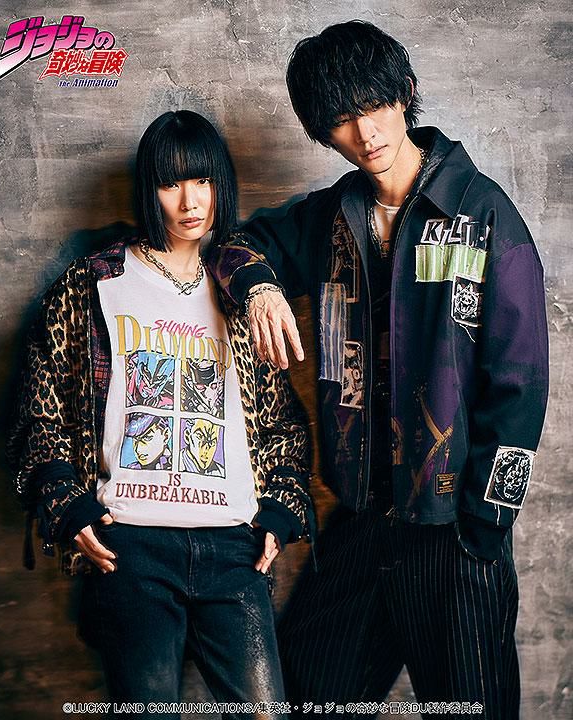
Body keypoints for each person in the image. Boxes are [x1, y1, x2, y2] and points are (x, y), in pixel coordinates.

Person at [207, 20, 549, 720]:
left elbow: (521, 385)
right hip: (363, 518)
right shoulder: (333, 216)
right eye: (341, 119)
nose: (364, 133)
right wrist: (261, 286)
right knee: (304, 695)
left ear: (406, 93)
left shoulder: (483, 215)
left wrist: (484, 526)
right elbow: (235, 245)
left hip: (454, 531)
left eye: (373, 105)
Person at [7, 110, 313, 718]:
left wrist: (279, 513)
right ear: (150, 190)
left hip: (233, 545)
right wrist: (67, 505)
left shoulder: (241, 291)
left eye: (202, 181)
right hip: (130, 545)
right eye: (171, 183)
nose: (190, 201)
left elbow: (280, 421)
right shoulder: (93, 284)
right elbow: (40, 410)